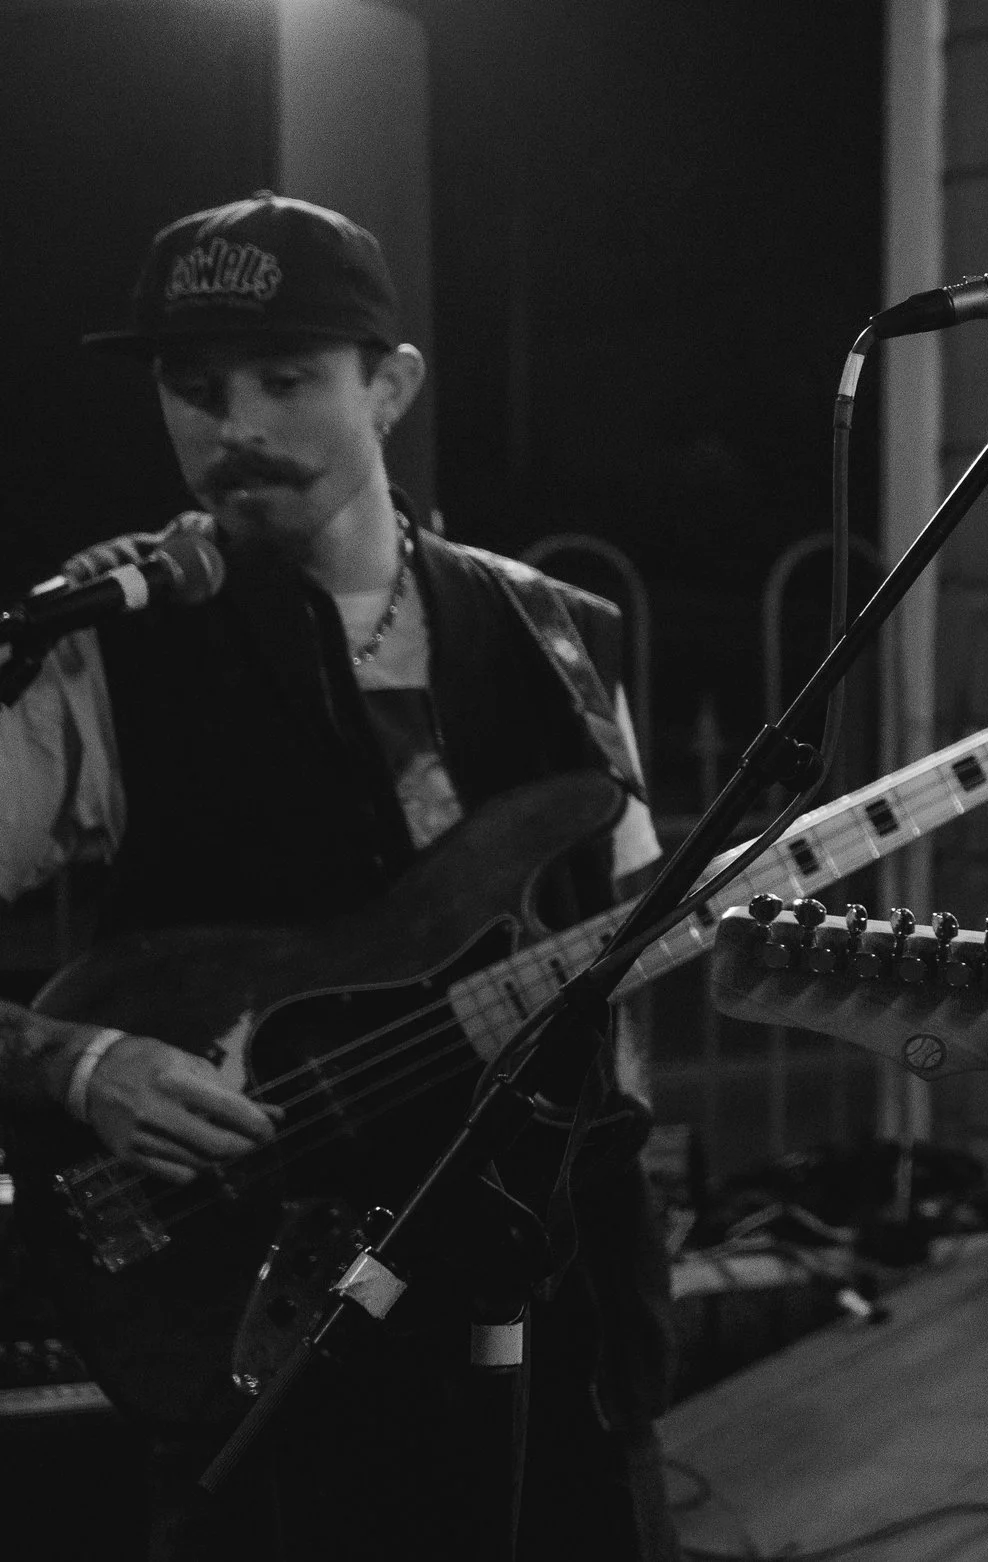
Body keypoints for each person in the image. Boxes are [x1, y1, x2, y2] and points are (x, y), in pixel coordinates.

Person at [0, 194, 677, 1559]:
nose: (236, 426)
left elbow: (631, 967)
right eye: (194, 389)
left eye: (289, 377)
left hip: (554, 1316)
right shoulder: (109, 642)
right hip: (256, 1321)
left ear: (394, 383)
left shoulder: (559, 634)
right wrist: (67, 1061)